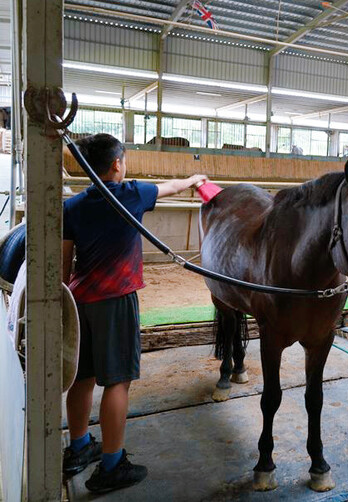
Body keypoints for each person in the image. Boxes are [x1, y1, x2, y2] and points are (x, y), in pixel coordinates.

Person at [62, 133, 207, 493]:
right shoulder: (132, 194)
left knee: (81, 377)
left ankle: (78, 447)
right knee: (117, 381)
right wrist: (194, 180)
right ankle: (111, 465)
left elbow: (63, 270)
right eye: (123, 160)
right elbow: (170, 187)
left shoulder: (72, 207)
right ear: (116, 164)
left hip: (79, 302)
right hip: (116, 300)